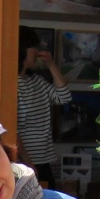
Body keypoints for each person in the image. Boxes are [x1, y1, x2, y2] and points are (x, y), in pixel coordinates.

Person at [15, 27, 73, 190]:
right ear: (22, 49)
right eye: (34, 47)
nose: (38, 52)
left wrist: (51, 65)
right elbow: (12, 129)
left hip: (43, 159)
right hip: (23, 163)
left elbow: (64, 97)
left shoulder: (37, 82)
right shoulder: (11, 85)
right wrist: (28, 163)